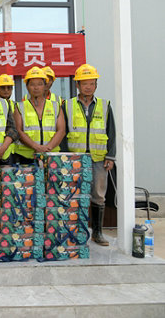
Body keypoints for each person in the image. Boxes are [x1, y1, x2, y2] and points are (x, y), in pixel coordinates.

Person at [61, 63, 116, 246]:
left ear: (96, 85)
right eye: (84, 83)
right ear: (77, 85)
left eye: (91, 83)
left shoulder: (104, 105)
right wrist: (64, 156)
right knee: (73, 194)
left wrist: (111, 156)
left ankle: (97, 233)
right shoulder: (67, 105)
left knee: (98, 194)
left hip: (98, 159)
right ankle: (75, 231)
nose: (88, 87)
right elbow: (62, 132)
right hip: (74, 158)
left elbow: (111, 132)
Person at [13, 66, 65, 165]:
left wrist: (48, 147)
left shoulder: (55, 106)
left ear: (45, 86)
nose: (36, 87)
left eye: (40, 84)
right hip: (26, 157)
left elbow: (61, 130)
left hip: (51, 155)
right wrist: (36, 147)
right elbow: (18, 131)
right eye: (32, 84)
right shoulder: (20, 107)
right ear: (27, 86)